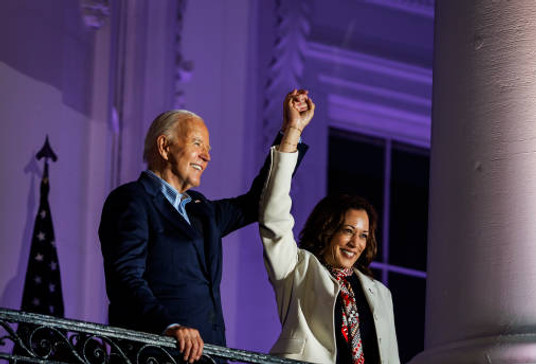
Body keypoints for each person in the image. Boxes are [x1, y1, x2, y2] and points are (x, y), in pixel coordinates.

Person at [99, 90, 313, 363]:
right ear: (165, 147)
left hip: (209, 356)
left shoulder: (201, 209)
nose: (206, 156)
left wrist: (291, 132)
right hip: (155, 354)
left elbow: (256, 202)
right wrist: (169, 327)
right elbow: (126, 279)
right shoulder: (132, 200)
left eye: (208, 150)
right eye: (198, 144)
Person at [258, 120, 400, 363]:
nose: (355, 242)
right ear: (327, 229)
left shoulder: (380, 294)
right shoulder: (297, 270)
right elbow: (274, 216)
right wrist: (292, 132)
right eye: (348, 230)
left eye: (363, 235)